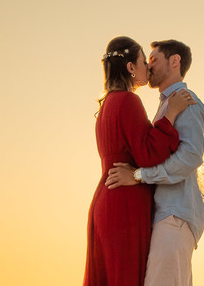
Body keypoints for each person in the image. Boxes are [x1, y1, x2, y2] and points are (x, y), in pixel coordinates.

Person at [84, 36, 196, 286]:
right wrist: (171, 113)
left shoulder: (107, 106)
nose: (148, 67)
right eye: (143, 61)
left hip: (107, 198)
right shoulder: (127, 101)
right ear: (131, 68)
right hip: (124, 202)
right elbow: (149, 154)